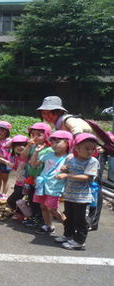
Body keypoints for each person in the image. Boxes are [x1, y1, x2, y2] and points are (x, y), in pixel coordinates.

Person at [37, 95, 104, 231]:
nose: (47, 116)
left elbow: (77, 132)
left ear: (59, 111)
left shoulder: (68, 120)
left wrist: (74, 153)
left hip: (93, 152)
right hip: (80, 155)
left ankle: (90, 221)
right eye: (44, 113)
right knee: (77, 184)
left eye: (51, 112)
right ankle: (75, 219)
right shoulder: (58, 123)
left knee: (93, 186)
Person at [55, 133, 100, 250]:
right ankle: (68, 236)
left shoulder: (92, 161)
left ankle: (79, 241)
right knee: (69, 218)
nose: (90, 151)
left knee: (81, 221)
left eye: (92, 149)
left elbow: (87, 177)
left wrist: (67, 174)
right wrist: (64, 168)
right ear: (77, 148)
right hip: (70, 195)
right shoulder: (71, 159)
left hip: (82, 197)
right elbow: (66, 168)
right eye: (87, 148)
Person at [29, 130, 73, 234]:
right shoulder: (49, 154)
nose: (54, 145)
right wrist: (36, 152)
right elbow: (33, 164)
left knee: (52, 209)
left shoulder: (69, 157)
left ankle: (69, 228)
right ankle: (49, 226)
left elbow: (73, 172)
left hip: (55, 186)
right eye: (52, 142)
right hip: (43, 185)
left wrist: (67, 169)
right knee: (43, 207)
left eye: (57, 142)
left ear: (67, 142)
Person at [19, 122, 53, 227]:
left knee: (40, 202)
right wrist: (28, 146)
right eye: (33, 134)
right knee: (31, 198)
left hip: (41, 179)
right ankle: (33, 218)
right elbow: (23, 156)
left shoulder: (49, 149)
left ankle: (42, 220)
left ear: (46, 135)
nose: (35, 137)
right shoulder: (32, 147)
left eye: (39, 134)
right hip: (31, 177)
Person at [0, 134, 28, 219]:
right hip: (18, 183)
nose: (20, 147)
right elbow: (15, 167)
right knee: (16, 199)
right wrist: (4, 161)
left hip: (26, 184)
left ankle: (24, 214)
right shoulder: (17, 157)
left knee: (12, 200)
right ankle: (20, 213)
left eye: (23, 145)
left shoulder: (28, 158)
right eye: (17, 145)